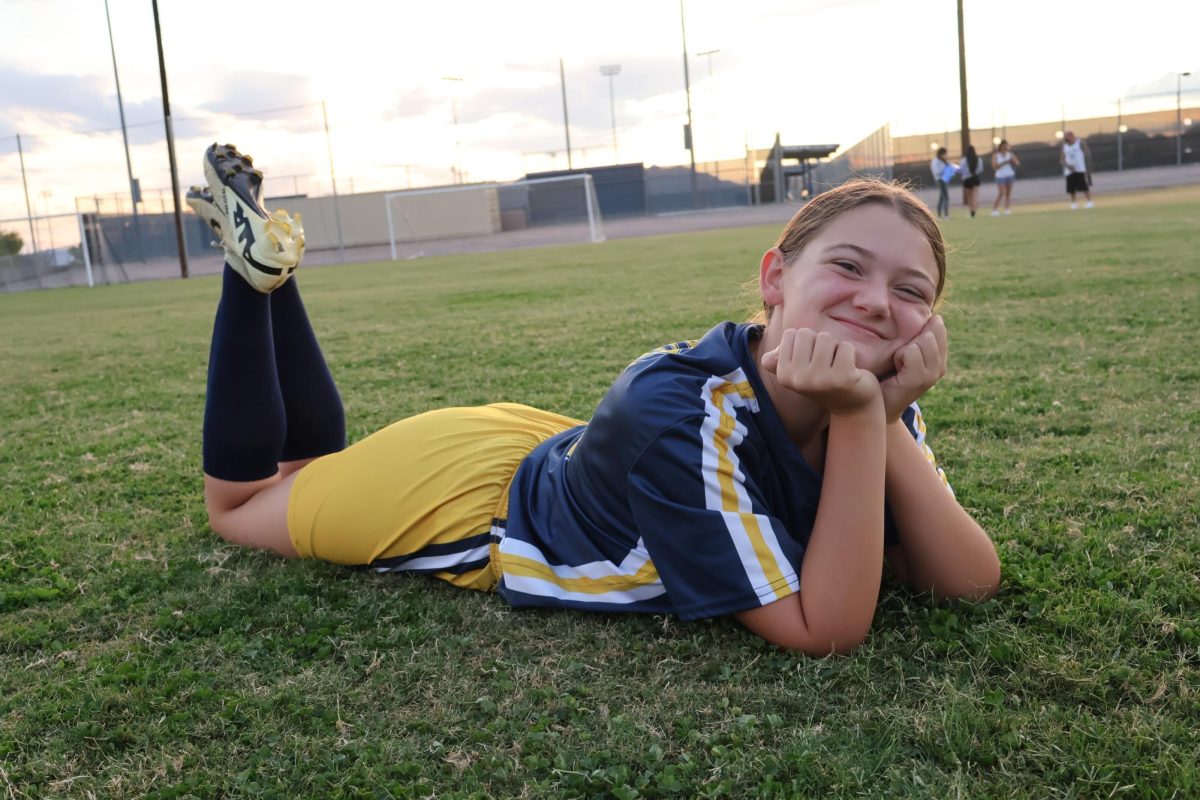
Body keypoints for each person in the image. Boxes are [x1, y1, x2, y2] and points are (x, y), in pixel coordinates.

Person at [189, 143, 1001, 657]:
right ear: (774, 279)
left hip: (566, 451)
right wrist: (868, 419)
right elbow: (824, 630)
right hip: (464, 500)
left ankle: (272, 262)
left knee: (310, 466)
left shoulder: (873, 395)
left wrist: (880, 414)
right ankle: (252, 274)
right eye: (849, 267)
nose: (874, 301)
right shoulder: (686, 414)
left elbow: (965, 581)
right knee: (240, 505)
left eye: (911, 289)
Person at [1060, 131, 1093, 209]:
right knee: (1071, 188)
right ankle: (1074, 203)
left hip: (1080, 169)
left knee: (1083, 186)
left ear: (1072, 136)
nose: (1066, 139)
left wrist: (1088, 168)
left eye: (1067, 136)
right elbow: (1061, 160)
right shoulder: (1065, 147)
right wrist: (1068, 166)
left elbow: (1087, 155)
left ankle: (1089, 202)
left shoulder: (1080, 143)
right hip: (1069, 171)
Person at [990, 139, 1021, 216]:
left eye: (1007, 146)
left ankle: (1007, 209)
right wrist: (1004, 163)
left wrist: (1013, 161)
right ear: (1001, 146)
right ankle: (995, 209)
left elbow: (1017, 163)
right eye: (1004, 146)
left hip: (1010, 174)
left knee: (1008, 193)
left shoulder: (1010, 154)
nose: (1006, 147)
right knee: (1001, 192)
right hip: (1000, 176)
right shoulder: (997, 155)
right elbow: (994, 166)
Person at [930, 147, 956, 219]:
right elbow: (937, 172)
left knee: (942, 197)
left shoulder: (942, 161)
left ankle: (939, 214)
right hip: (940, 180)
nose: (946, 155)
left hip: (944, 180)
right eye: (945, 154)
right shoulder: (935, 161)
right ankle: (946, 214)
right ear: (941, 154)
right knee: (946, 197)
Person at [959, 144, 983, 217]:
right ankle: (975, 211)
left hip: (966, 179)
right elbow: (980, 170)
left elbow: (961, 170)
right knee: (975, 196)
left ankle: (971, 211)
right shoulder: (978, 159)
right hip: (976, 178)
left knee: (969, 197)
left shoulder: (963, 160)